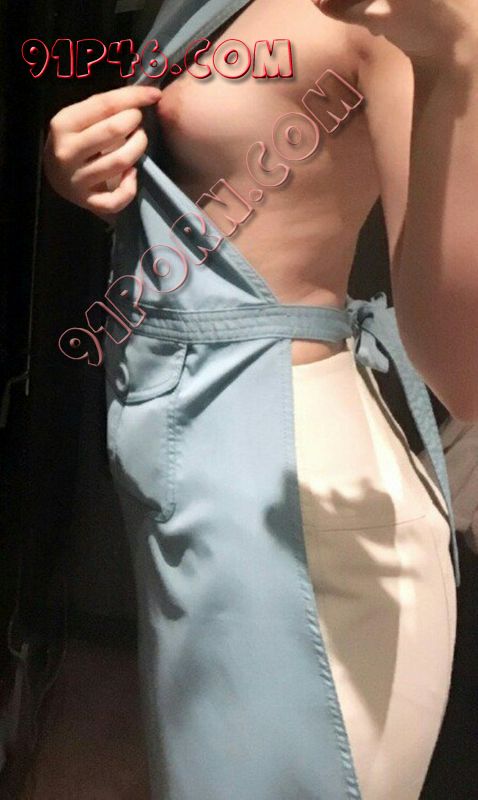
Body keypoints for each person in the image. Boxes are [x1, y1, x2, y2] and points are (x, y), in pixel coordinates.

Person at [43, 1, 478, 798]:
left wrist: (461, 54)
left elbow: (469, 374)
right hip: (196, 458)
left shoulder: (387, 15)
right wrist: (86, 166)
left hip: (296, 493)